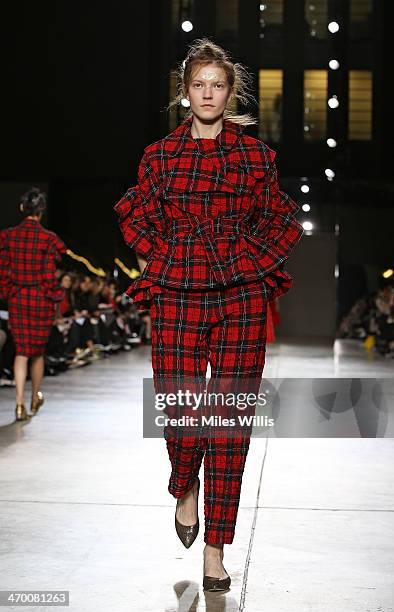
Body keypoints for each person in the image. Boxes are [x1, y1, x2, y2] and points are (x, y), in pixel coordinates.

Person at [114, 38, 303, 591]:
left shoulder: (256, 158)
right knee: (178, 406)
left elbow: (280, 221)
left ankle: (215, 552)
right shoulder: (160, 155)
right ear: (185, 92)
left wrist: (251, 261)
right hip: (177, 286)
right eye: (198, 85)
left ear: (230, 92)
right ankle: (185, 486)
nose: (207, 93)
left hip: (239, 291)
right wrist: (160, 255)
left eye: (217, 85)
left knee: (229, 422)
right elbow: (137, 213)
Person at [0, 187, 67, 421]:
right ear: (42, 210)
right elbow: (50, 275)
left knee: (21, 351)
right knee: (37, 352)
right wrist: (56, 297)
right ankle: (34, 396)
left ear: (22, 208)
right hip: (40, 300)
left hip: (18, 298)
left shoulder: (8, 236)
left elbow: (3, 270)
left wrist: (9, 292)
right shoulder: (48, 239)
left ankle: (18, 403)